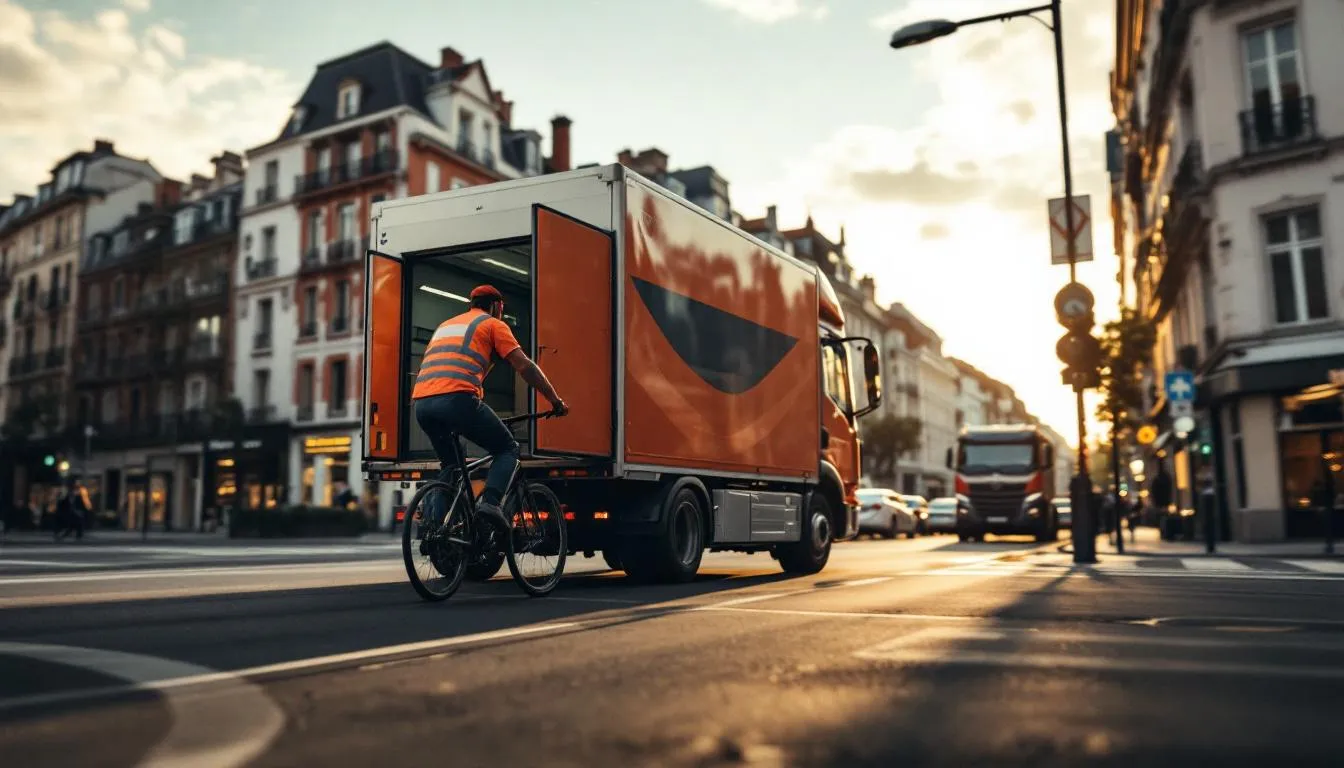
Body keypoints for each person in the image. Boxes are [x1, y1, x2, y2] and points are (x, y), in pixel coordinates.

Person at [412, 285, 568, 533]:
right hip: (456, 400)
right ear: (496, 306)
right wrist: (555, 400)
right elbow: (524, 366)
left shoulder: (447, 325)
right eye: (502, 310)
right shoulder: (493, 324)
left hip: (422, 403)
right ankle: (491, 504)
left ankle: (434, 528)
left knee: (450, 465)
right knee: (507, 448)